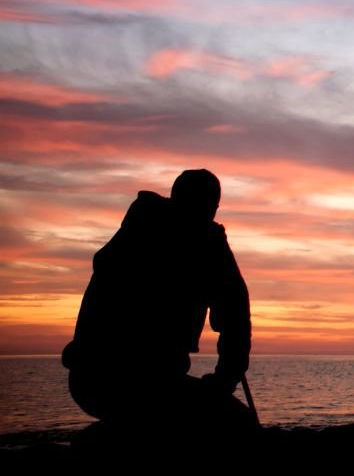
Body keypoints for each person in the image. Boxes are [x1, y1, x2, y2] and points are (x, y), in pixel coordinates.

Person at [61, 169, 253, 429]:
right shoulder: (205, 242)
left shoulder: (135, 230)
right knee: (236, 422)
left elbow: (234, 314)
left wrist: (225, 378)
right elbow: (235, 315)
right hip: (128, 382)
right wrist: (225, 380)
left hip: (91, 382)